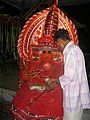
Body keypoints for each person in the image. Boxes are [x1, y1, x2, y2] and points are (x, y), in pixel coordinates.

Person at [54, 28, 90, 120]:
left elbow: (69, 76)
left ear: (60, 40)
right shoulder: (75, 49)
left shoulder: (70, 51)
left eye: (57, 44)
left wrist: (57, 81)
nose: (57, 47)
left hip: (73, 97)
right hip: (76, 95)